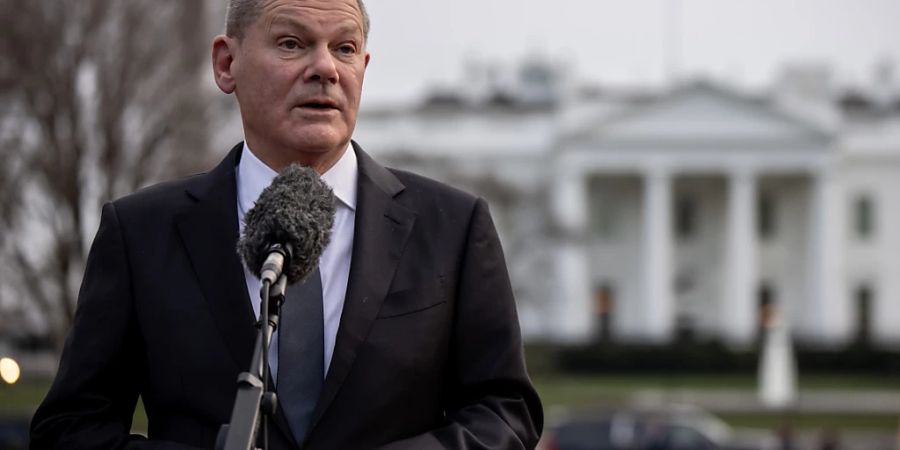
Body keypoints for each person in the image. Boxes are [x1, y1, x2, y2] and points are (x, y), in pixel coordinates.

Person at [29, 0, 543, 449]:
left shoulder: (453, 227)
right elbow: (70, 428)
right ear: (227, 64)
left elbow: (504, 413)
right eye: (293, 43)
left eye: (344, 49)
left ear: (363, 67)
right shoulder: (141, 232)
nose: (325, 68)